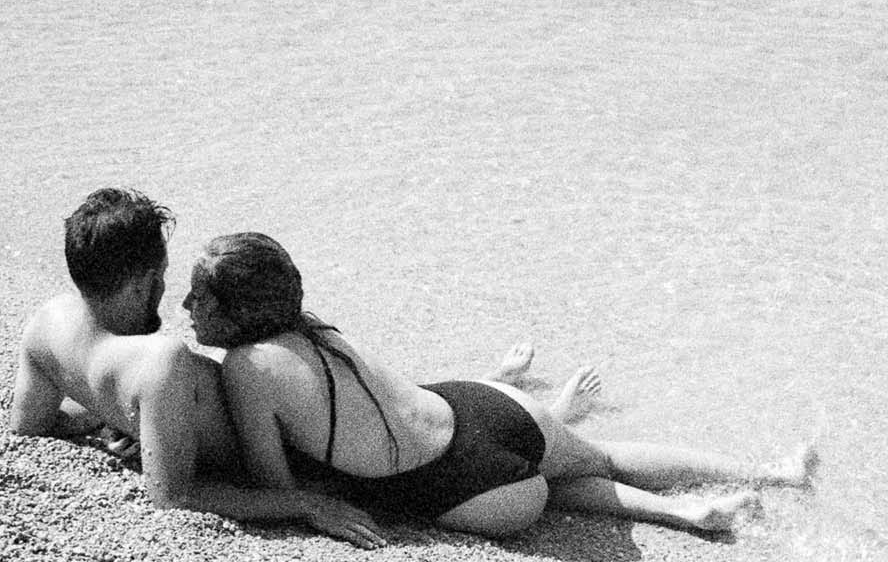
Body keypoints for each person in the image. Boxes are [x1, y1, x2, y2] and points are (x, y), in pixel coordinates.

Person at [190, 231, 818, 539]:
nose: (187, 305)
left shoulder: (249, 368)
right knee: (601, 458)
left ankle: (684, 513)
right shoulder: (319, 330)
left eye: (202, 297)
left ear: (239, 314)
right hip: (487, 408)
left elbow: (275, 485)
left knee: (549, 488)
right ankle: (773, 474)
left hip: (475, 485)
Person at [10, 188, 533, 549]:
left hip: (302, 421)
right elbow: (174, 497)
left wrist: (120, 423)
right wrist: (304, 505)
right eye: (165, 275)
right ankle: (503, 393)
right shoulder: (160, 361)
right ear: (145, 278)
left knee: (399, 403)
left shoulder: (47, 325)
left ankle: (500, 387)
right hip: (311, 461)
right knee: (397, 409)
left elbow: (30, 426)